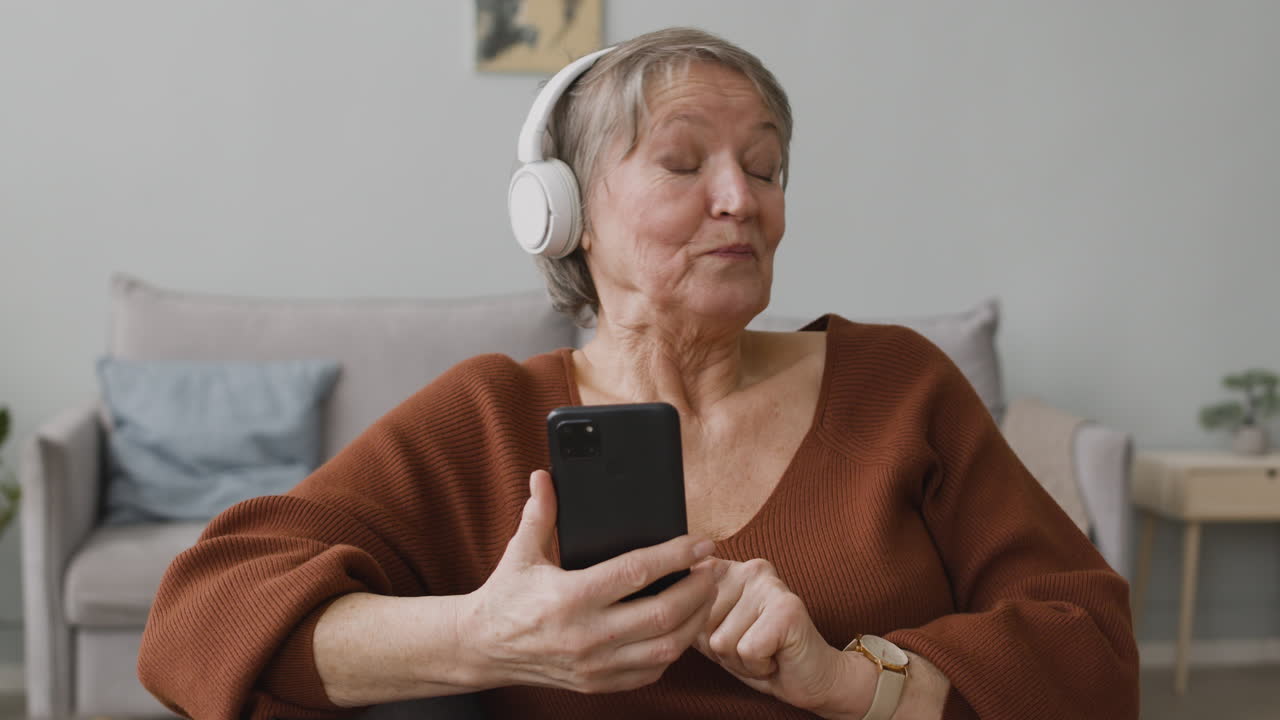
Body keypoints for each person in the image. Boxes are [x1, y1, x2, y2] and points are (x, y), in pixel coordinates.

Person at [138, 27, 1139, 720]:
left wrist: (847, 684)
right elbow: (202, 615)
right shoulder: (489, 415)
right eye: (681, 161)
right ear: (562, 213)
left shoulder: (896, 386)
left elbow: (1085, 645)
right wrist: (484, 638)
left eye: (763, 165)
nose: (738, 200)